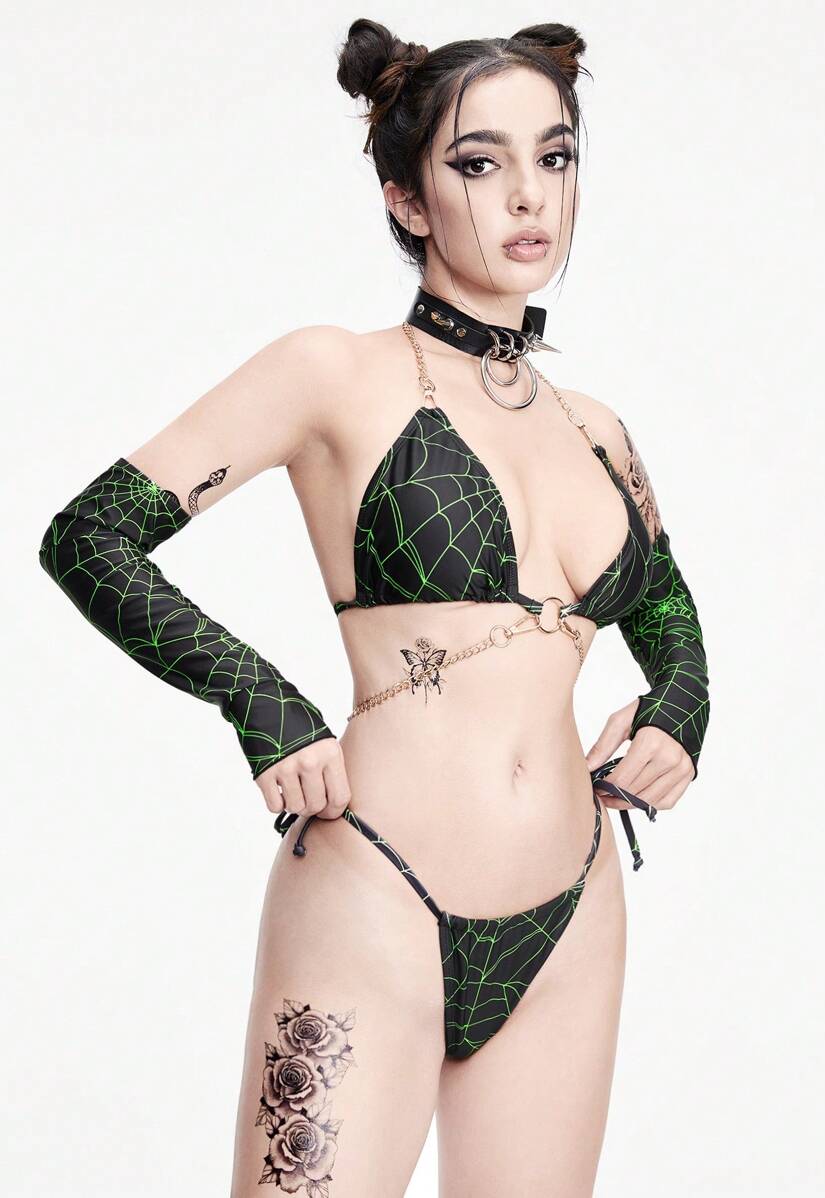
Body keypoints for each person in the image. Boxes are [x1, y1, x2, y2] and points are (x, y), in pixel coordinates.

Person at [38, 19, 710, 1198]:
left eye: (553, 156)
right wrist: (264, 705)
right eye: (479, 162)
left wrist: (679, 718)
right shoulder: (333, 373)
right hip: (378, 891)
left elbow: (670, 624)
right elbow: (88, 538)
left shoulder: (597, 430)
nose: (528, 195)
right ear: (406, 199)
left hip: (573, 905)